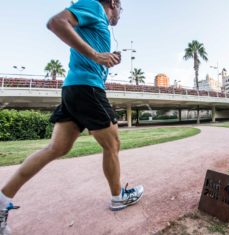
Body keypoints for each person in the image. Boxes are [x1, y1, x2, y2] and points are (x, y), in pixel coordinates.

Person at [0, 0, 144, 234]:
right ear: (114, 3)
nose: (120, 14)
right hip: (87, 89)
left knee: (56, 148)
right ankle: (119, 197)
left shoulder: (98, 22)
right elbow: (56, 23)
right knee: (113, 144)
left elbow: (89, 49)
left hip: (74, 89)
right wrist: (97, 56)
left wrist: (104, 58)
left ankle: (1, 200)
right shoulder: (95, 6)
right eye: (121, 8)